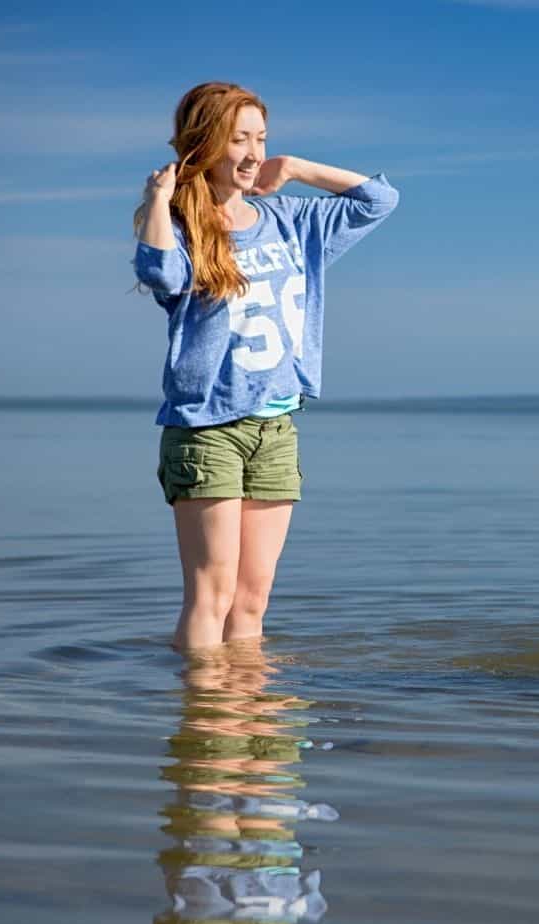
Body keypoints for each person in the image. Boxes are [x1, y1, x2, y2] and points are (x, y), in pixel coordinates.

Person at [134, 82, 398, 651]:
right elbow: (160, 275)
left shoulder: (292, 220)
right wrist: (160, 200)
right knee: (212, 593)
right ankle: (205, 726)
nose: (254, 153)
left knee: (252, 599)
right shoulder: (185, 227)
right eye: (239, 139)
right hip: (207, 429)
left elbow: (379, 200)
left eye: (262, 138)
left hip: (275, 429)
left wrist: (297, 168)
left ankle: (257, 724)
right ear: (205, 144)